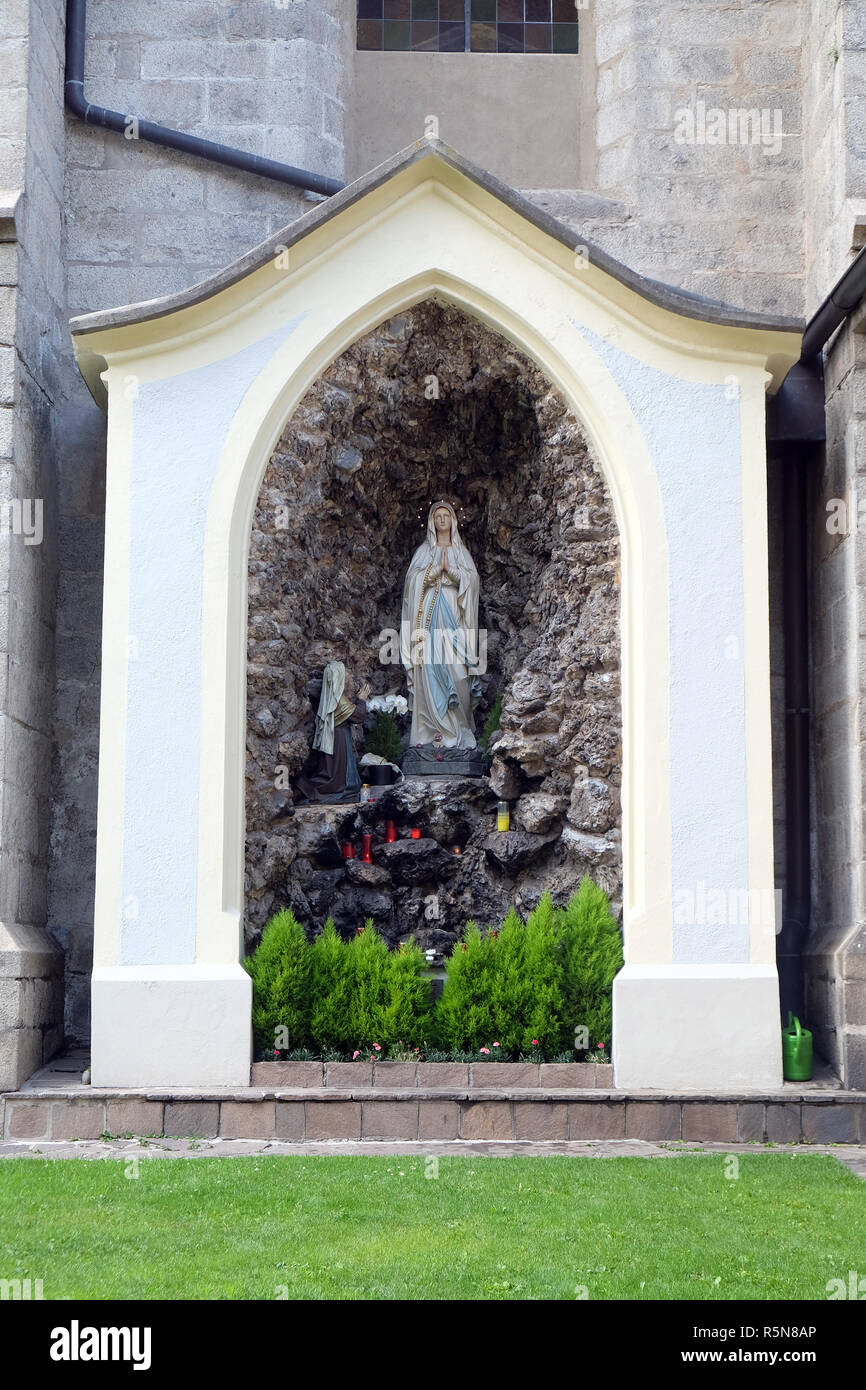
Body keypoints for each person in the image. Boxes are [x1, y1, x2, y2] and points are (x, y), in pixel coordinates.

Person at [400, 501, 481, 750]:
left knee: (458, 670)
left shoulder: (461, 552)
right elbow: (411, 585)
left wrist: (453, 573)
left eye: (447, 515)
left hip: (455, 616)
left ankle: (460, 728)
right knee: (430, 667)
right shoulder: (424, 551)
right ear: (432, 522)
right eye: (438, 516)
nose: (443, 520)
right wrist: (435, 571)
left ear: (454, 521)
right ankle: (429, 733)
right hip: (428, 618)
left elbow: (473, 583)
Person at [294, 661, 371, 804]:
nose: (349, 677)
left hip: (335, 737)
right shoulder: (337, 700)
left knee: (330, 772)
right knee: (336, 777)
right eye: (346, 675)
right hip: (338, 739)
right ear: (339, 679)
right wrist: (361, 700)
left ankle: (305, 788)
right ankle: (306, 788)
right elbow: (358, 716)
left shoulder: (331, 697)